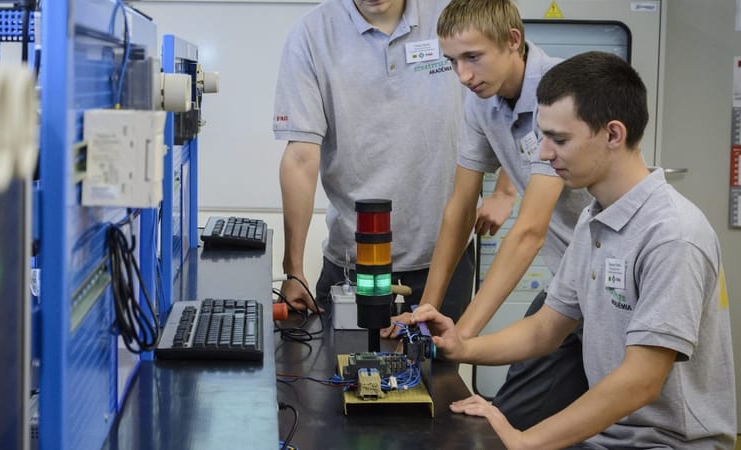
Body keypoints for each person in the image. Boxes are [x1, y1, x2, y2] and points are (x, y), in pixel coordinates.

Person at [413, 51, 736, 449]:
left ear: (613, 135)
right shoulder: (594, 219)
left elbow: (641, 381)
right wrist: (463, 346)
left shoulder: (672, 235)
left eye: (559, 140)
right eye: (543, 137)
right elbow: (545, 329)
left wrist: (526, 441)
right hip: (611, 439)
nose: (544, 154)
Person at [382, 0, 593, 429]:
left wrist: (461, 335)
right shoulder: (482, 104)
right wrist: (426, 313)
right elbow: (460, 208)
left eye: (472, 57)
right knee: (510, 415)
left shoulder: (559, 95)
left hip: (609, 281)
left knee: (616, 419)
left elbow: (529, 231)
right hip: (569, 283)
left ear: (512, 40)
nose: (462, 75)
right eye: (452, 61)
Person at [273, 0, 476, 324]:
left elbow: (504, 89)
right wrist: (293, 270)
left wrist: (504, 190)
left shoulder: (452, 14)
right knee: (339, 356)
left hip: (445, 258)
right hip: (354, 265)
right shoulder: (312, 34)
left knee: (437, 358)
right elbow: (300, 158)